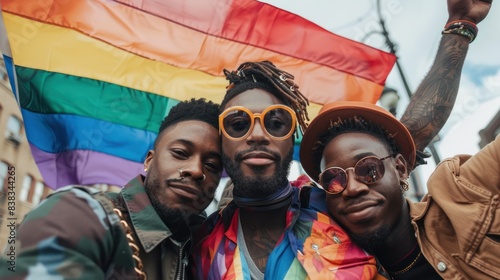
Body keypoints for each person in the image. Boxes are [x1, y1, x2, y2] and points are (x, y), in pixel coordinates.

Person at [192, 61, 389, 279]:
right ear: (221, 140)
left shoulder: (339, 208)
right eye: (238, 125)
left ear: (292, 136)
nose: (257, 135)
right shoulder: (201, 241)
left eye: (275, 123)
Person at [0, 98, 223, 279]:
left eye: (212, 166)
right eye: (180, 153)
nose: (195, 170)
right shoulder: (79, 215)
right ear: (149, 161)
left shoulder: (210, 249)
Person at [299, 101, 500, 279]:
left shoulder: (463, 195)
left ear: (400, 169)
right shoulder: (328, 270)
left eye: (369, 168)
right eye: (334, 179)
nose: (352, 188)